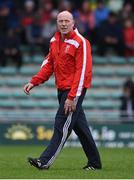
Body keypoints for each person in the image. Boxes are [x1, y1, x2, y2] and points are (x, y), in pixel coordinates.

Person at [23, 10, 102, 170]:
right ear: (57, 23)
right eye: (61, 21)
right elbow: (49, 64)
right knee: (81, 128)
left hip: (73, 91)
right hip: (62, 89)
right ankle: (95, 163)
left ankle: (44, 162)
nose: (64, 24)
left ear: (73, 23)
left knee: (61, 125)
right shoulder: (54, 40)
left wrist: (72, 96)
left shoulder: (81, 42)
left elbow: (83, 72)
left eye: (67, 21)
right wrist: (34, 81)